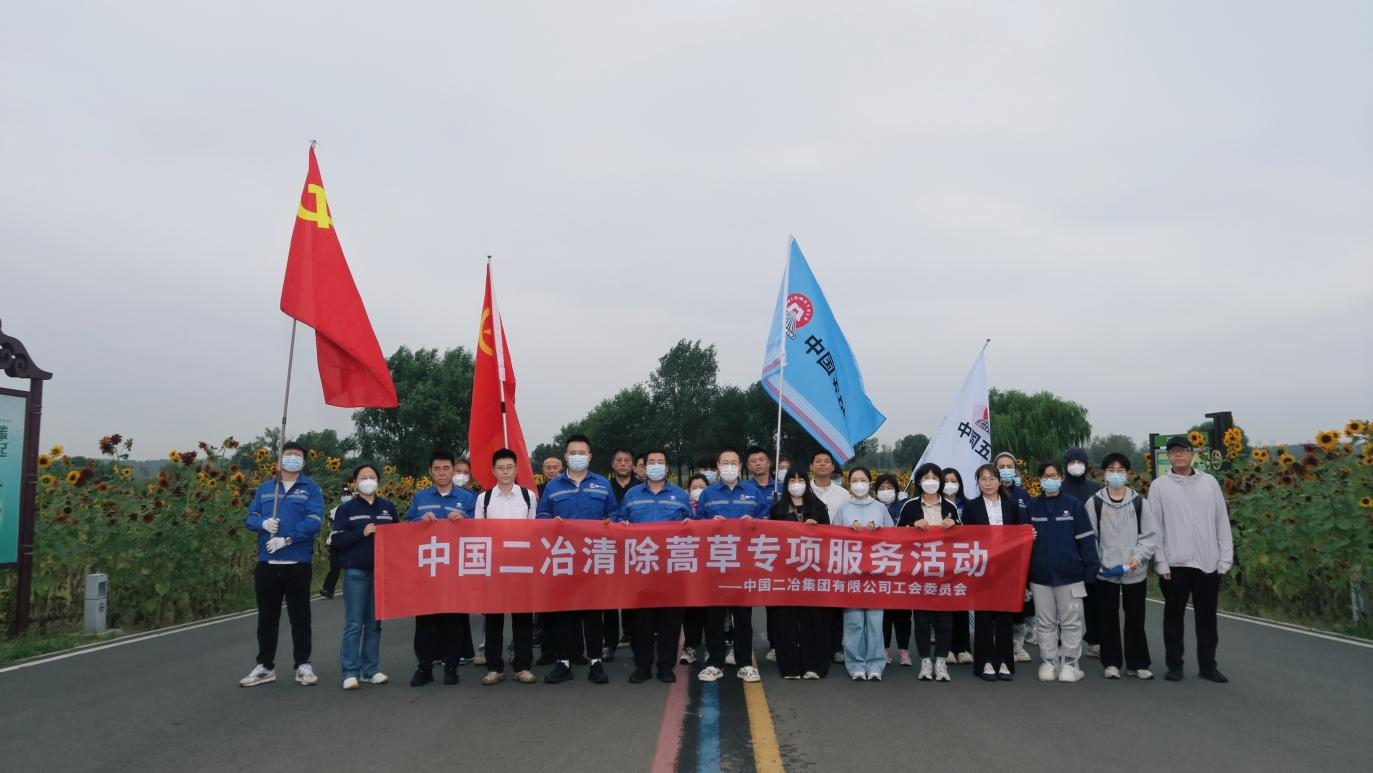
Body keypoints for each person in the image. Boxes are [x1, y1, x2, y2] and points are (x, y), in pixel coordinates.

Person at [239, 442, 324, 687]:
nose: (292, 458)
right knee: (267, 617)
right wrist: (263, 524)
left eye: (297, 455)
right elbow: (250, 518)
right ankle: (265, 666)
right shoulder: (266, 488)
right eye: (288, 454)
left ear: (304, 462)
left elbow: (314, 521)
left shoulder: (311, 489)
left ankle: (303, 665)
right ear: (279, 459)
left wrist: (286, 539)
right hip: (267, 562)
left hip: (297, 562)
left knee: (300, 617)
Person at [1152, 435, 1233, 683]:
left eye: (1183, 450)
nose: (1178, 455)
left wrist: (1225, 558)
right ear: (1168, 457)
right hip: (1175, 564)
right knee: (1173, 618)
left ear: (1192, 453)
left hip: (1208, 563)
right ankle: (1174, 665)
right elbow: (1155, 526)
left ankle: (1208, 666)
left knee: (1207, 618)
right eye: (1173, 451)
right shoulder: (1159, 486)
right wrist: (1160, 562)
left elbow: (1221, 521)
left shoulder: (1209, 483)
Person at [537, 434, 618, 685]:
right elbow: (541, 515)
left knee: (593, 614)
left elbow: (614, 515)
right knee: (564, 614)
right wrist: (550, 522)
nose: (577, 457)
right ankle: (564, 663)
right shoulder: (553, 486)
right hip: (564, 558)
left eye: (582, 453)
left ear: (590, 456)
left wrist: (611, 522)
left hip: (594, 558)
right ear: (566, 456)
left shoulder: (602, 484)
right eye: (573, 453)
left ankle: (596, 662)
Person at [693, 448, 770, 683]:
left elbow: (767, 520)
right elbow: (697, 523)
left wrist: (754, 522)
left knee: (743, 617)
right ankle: (714, 662)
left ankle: (744, 663)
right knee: (714, 617)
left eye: (733, 463)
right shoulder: (708, 493)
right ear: (718, 466)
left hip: (744, 564)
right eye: (724, 462)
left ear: (740, 467)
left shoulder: (752, 492)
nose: (729, 467)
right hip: (715, 564)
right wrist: (709, 523)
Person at [404, 450, 478, 687]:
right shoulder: (420, 498)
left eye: (447, 468)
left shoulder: (468, 499)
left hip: (455, 569)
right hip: (428, 569)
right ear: (430, 472)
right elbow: (406, 526)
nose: (442, 473)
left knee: (453, 620)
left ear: (453, 471)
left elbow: (481, 528)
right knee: (425, 620)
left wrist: (465, 522)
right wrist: (419, 521)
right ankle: (424, 667)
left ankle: (451, 667)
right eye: (437, 469)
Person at [618, 449, 691, 684]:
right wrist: (621, 525)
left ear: (667, 468)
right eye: (652, 462)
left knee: (670, 621)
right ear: (644, 467)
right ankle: (642, 666)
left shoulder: (679, 495)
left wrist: (690, 525)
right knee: (642, 621)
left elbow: (693, 526)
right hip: (642, 568)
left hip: (672, 568)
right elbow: (620, 523)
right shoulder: (632, 495)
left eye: (660, 462)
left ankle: (665, 666)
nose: (656, 465)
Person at [1026, 461, 1100, 683]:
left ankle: (1070, 663)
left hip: (1070, 575)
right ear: (1039, 480)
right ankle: (1049, 662)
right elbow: (1022, 542)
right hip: (1040, 576)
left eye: (1054, 476)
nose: (1050, 480)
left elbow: (1086, 540)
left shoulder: (1074, 505)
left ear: (1061, 478)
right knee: (1045, 622)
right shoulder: (1032, 507)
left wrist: (1091, 569)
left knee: (1072, 622)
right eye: (1045, 476)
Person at [1087, 452, 1158, 680]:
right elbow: (1090, 537)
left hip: (1134, 571)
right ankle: (1111, 662)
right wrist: (1098, 563)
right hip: (1105, 572)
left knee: (1136, 618)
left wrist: (1137, 558)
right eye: (1111, 470)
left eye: (1120, 470)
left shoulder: (1139, 503)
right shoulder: (1095, 502)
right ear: (1104, 474)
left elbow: (1149, 536)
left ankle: (1138, 663)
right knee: (1107, 618)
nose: (1115, 474)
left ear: (1128, 474)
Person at [474, 448, 540, 685]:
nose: (505, 472)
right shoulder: (484, 499)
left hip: (521, 566)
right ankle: (494, 667)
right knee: (493, 618)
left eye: (509, 467)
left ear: (516, 469)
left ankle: (522, 666)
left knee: (522, 618)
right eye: (500, 468)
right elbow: (478, 533)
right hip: (494, 566)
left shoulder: (528, 496)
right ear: (493, 471)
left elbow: (533, 531)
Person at [330, 463, 395, 689]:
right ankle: (350, 672)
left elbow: (398, 537)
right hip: (356, 571)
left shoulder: (387, 507)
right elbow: (337, 539)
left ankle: (371, 670)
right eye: (363, 477)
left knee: (374, 624)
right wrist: (362, 532)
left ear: (378, 480)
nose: (368, 480)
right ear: (355, 482)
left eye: (372, 476)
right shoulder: (346, 509)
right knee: (354, 623)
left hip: (380, 572)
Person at [897, 463, 960, 681]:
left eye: (934, 477)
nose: (930, 481)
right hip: (919, 572)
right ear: (919, 481)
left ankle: (941, 662)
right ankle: (925, 661)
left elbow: (965, 536)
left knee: (944, 620)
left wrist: (954, 524)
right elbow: (896, 535)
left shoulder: (950, 507)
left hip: (945, 572)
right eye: (926, 477)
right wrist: (912, 527)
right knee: (922, 620)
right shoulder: (910, 506)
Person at [830, 467, 893, 681]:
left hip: (875, 573)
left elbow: (894, 537)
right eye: (855, 480)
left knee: (875, 622)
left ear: (869, 482)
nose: (859, 484)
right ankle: (855, 664)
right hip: (852, 573)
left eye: (862, 480)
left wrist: (878, 528)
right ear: (849, 484)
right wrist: (848, 529)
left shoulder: (880, 508)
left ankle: (875, 664)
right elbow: (832, 538)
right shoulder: (843, 509)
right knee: (854, 622)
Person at [962, 463, 1023, 681]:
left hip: (1006, 568)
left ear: (999, 481)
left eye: (991, 479)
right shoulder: (971, 507)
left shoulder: (1011, 506)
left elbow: (1019, 535)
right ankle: (985, 661)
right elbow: (965, 538)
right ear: (977, 483)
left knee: (1005, 616)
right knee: (984, 616)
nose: (988, 483)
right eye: (983, 479)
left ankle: (1005, 660)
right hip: (982, 567)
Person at [768, 467, 831, 679]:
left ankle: (814, 665)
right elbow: (770, 537)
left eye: (800, 479)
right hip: (785, 572)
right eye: (792, 480)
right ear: (786, 484)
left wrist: (816, 527)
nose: (797, 484)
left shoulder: (818, 507)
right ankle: (790, 667)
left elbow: (830, 538)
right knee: (785, 620)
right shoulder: (777, 509)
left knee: (814, 620)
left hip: (813, 572)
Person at [1061, 447, 1105, 658]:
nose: (1076, 465)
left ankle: (1094, 640)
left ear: (1087, 465)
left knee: (1094, 600)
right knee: (1065, 602)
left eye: (1080, 462)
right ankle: (1063, 642)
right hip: (1066, 552)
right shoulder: (1059, 489)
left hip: (1091, 552)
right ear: (1065, 465)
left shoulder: (1096, 489)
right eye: (1072, 462)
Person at [807, 449, 849, 663]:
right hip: (809, 554)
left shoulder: (844, 494)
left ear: (833, 467)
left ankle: (836, 646)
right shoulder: (804, 491)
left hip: (836, 553)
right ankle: (812, 644)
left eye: (827, 461)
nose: (822, 464)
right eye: (818, 461)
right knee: (811, 601)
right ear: (811, 466)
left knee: (835, 600)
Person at [995, 450, 1034, 664]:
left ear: (1016, 470)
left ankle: (1017, 644)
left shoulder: (1024, 496)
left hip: (1018, 559)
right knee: (995, 600)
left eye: (1009, 466)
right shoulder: (989, 494)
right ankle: (997, 640)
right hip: (994, 559)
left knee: (1018, 602)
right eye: (1001, 467)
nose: (1005, 470)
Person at [875, 473, 912, 668]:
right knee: (884, 613)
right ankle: (885, 649)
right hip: (879, 567)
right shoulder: (872, 507)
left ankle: (904, 651)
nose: (885, 491)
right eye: (881, 488)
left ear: (897, 490)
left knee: (903, 612)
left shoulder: (905, 507)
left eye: (889, 488)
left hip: (902, 567)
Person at [605, 448, 638, 660]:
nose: (623, 463)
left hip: (635, 549)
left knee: (633, 597)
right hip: (608, 548)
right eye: (619, 460)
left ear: (633, 465)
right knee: (608, 598)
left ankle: (634, 637)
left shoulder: (641, 488)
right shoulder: (604, 487)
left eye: (627, 460)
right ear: (613, 464)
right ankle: (609, 643)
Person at [941, 466, 974, 666]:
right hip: (941, 562)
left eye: (954, 481)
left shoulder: (969, 506)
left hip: (964, 561)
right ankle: (947, 648)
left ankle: (963, 648)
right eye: (946, 481)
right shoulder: (936, 505)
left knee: (962, 605)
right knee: (945, 607)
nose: (950, 485)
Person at [679, 473, 710, 665]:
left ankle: (711, 647)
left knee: (710, 609)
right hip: (688, 564)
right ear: (688, 491)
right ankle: (690, 646)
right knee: (690, 608)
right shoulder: (683, 508)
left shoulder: (713, 506)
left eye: (702, 487)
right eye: (694, 487)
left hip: (710, 564)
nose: (698, 491)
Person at [319, 484, 352, 599]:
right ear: (340, 496)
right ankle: (328, 589)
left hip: (350, 541)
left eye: (347, 494)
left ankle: (353, 589)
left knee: (351, 567)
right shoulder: (334, 510)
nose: (346, 496)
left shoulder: (355, 509)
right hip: (336, 541)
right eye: (344, 494)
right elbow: (331, 526)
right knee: (334, 566)